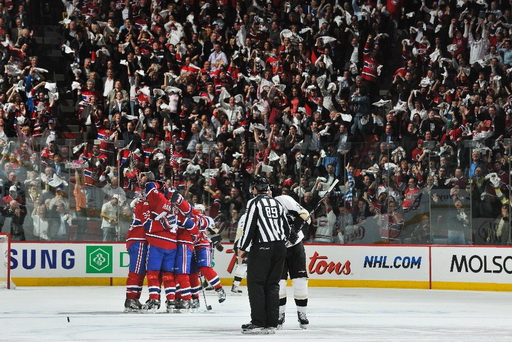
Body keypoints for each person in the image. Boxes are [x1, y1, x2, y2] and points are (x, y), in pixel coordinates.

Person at [237, 176, 290, 334]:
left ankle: (258, 322)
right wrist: (281, 244)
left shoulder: (254, 203)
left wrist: (243, 247)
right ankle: (271, 323)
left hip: (262, 247)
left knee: (256, 284)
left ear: (254, 189)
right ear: (267, 188)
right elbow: (287, 228)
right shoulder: (277, 202)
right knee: (273, 284)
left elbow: (249, 226)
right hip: (280, 247)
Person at [274, 194, 312, 329]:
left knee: (300, 281)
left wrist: (294, 231)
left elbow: (305, 215)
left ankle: (302, 314)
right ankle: (279, 314)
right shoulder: (259, 206)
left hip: (296, 246)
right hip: (278, 248)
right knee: (280, 283)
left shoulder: (284, 200)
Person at [124, 194, 149, 312]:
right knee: (136, 271)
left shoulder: (141, 206)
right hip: (138, 240)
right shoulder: (142, 207)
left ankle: (134, 298)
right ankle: (130, 299)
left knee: (140, 272)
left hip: (139, 240)